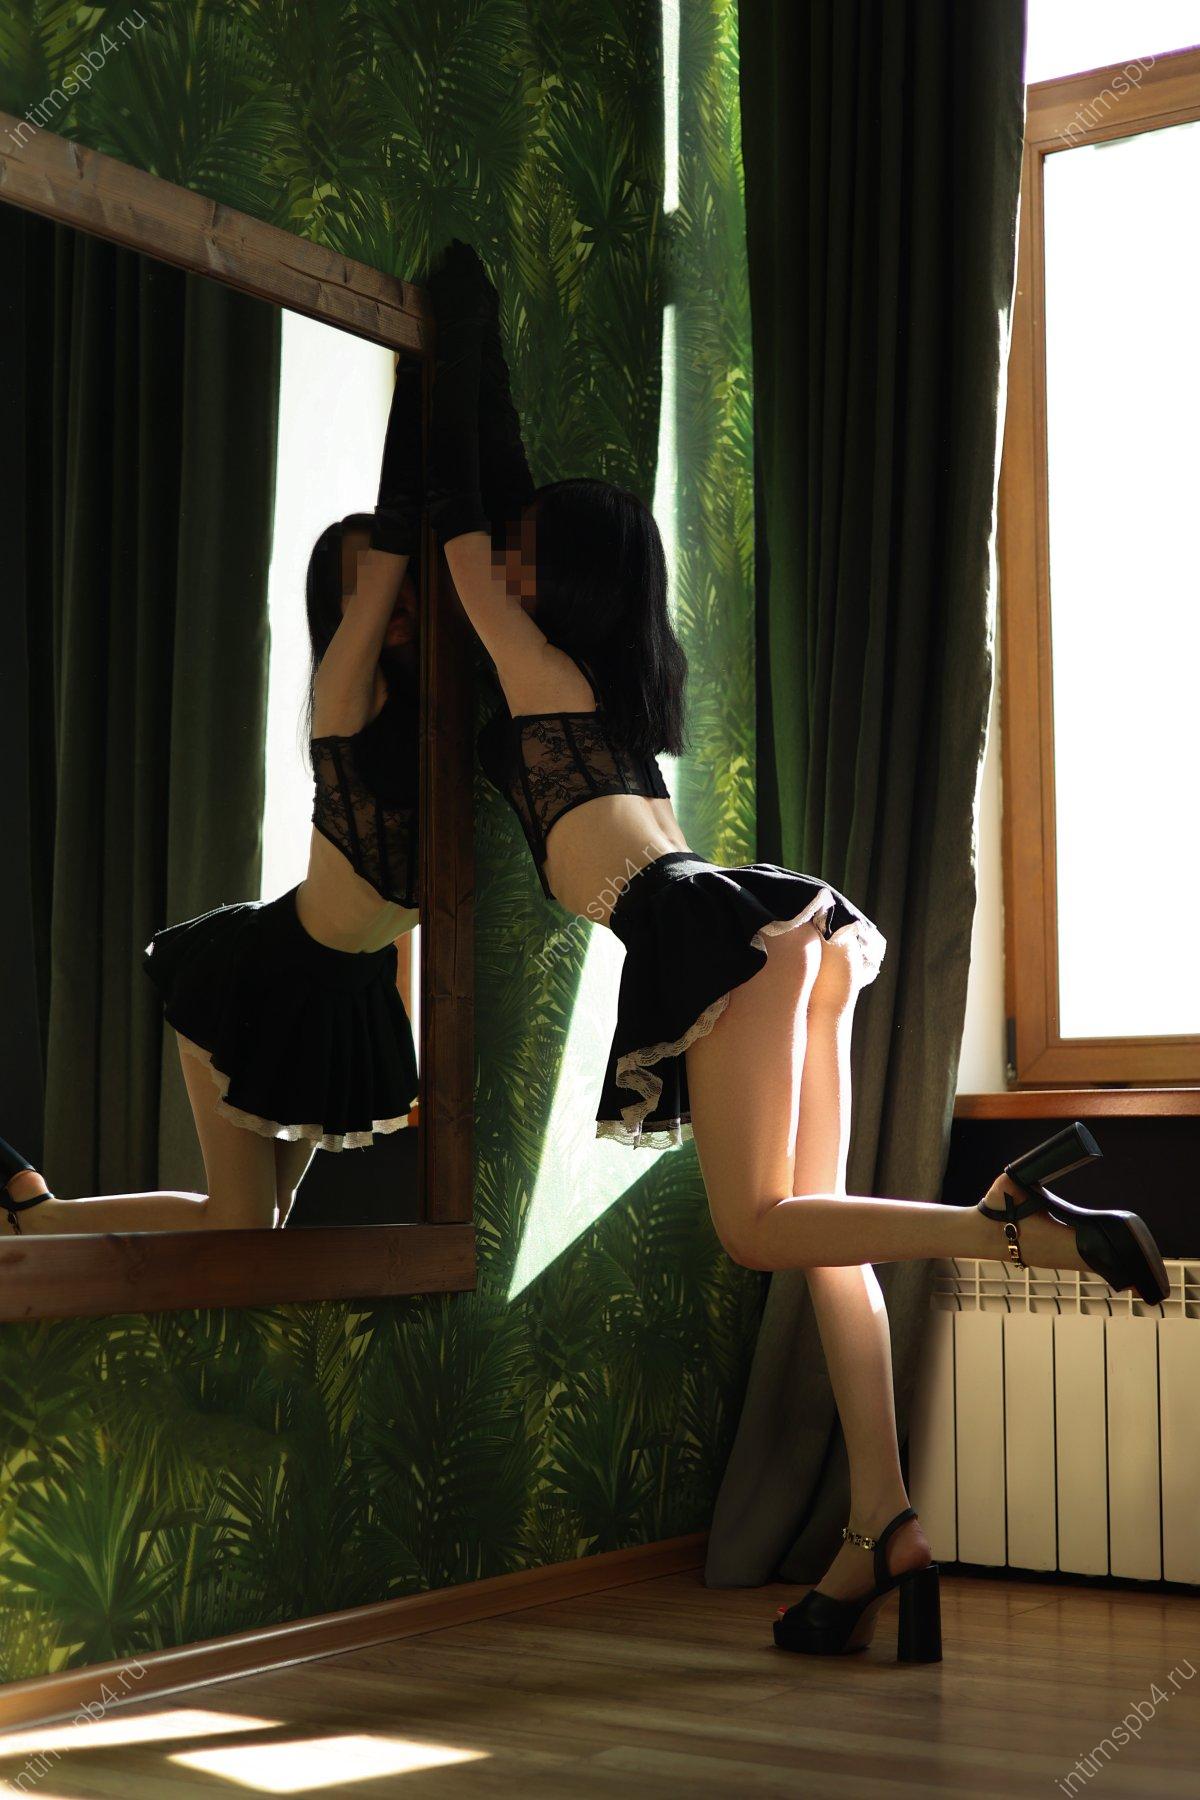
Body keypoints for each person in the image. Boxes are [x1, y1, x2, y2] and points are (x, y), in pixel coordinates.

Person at [421, 238, 1171, 1662]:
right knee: (822, 1239)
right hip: (785, 918)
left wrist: (455, 337)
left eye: (529, 556)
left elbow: (461, 534)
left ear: (557, 583)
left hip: (714, 926)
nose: (506, 568)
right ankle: (882, 1531)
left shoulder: (539, 675)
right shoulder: (607, 701)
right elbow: (495, 515)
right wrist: (483, 328)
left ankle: (1008, 1228)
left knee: (759, 1230)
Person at [1, 356, 424, 1235]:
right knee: (242, 1222)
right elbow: (388, 566)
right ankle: (32, 1216)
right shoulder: (346, 699)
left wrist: (408, 1028)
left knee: (263, 1225)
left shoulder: (434, 729)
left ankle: (30, 1210)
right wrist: (426, 392)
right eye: (368, 591)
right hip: (262, 973)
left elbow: (409, 910)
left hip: (347, 987)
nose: (393, 602)